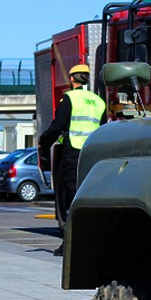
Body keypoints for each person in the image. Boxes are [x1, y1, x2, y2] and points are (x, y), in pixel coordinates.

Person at [38, 64, 105, 256]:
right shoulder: (98, 101)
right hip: (93, 153)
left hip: (73, 151)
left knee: (71, 198)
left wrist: (44, 141)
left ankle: (69, 245)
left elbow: (57, 126)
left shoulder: (70, 98)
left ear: (72, 79)